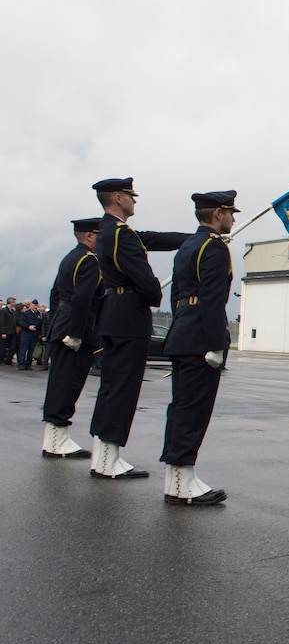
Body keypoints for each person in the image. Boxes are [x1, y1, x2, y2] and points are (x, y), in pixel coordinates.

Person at [87, 177, 189, 479]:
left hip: (115, 314)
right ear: (118, 198)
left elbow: (156, 239)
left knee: (111, 386)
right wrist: (154, 293)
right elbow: (143, 278)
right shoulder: (120, 234)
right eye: (131, 196)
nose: (135, 200)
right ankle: (109, 459)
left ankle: (101, 456)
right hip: (129, 315)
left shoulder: (110, 230)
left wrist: (195, 237)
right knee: (123, 388)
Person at [159, 191, 238, 505]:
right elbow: (213, 298)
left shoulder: (188, 245)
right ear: (218, 213)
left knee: (181, 408)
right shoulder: (214, 247)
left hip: (183, 333)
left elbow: (177, 295)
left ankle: (177, 478)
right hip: (200, 340)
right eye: (231, 212)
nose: (233, 219)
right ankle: (182, 482)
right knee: (193, 411)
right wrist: (215, 343)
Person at [40, 218, 104, 458]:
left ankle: (54, 439)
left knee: (59, 382)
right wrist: (75, 332)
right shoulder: (90, 261)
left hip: (63, 323)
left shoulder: (70, 257)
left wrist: (58, 323)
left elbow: (56, 293)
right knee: (68, 383)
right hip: (76, 328)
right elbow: (83, 299)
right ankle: (58, 442)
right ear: (89, 236)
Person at [17, 299, 44, 370]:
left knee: (31, 351)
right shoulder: (26, 313)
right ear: (31, 305)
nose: (35, 307)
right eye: (34, 305)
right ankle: (21, 364)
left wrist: (40, 334)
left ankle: (28, 364)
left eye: (36, 305)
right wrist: (28, 327)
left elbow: (41, 325)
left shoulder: (39, 314)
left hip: (34, 334)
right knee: (23, 349)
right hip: (26, 333)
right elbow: (21, 322)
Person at [0, 297, 17, 365]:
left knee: (13, 346)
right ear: (11, 302)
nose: (15, 304)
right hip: (6, 331)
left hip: (12, 332)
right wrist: (3, 332)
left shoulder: (12, 311)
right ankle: (1, 360)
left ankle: (8, 360)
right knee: (2, 347)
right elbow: (2, 322)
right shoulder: (4, 311)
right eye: (14, 302)